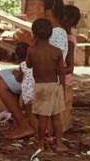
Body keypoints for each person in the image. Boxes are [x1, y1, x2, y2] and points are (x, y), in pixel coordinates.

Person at [0, 0, 67, 139]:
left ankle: (24, 125)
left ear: (49, 12)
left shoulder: (57, 33)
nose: (36, 10)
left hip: (40, 77)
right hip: (35, 71)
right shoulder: (51, 30)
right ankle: (22, 121)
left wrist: (28, 42)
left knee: (1, 83)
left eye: (39, 8)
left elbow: (45, 59)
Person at [27, 18, 67, 152]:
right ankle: (59, 144)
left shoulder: (31, 50)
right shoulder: (57, 52)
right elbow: (61, 72)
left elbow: (28, 65)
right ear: (51, 34)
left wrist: (32, 45)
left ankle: (40, 144)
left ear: (34, 35)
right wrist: (64, 89)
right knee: (57, 118)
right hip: (55, 86)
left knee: (42, 119)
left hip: (41, 88)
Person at [12, 43, 35, 122]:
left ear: (17, 56)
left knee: (29, 113)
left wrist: (15, 73)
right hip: (38, 89)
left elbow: (19, 78)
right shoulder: (36, 61)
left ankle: (31, 128)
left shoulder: (23, 65)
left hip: (28, 93)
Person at [61, 5, 81, 84]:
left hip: (64, 80)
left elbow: (70, 68)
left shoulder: (69, 40)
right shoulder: (63, 36)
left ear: (70, 20)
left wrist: (53, 71)